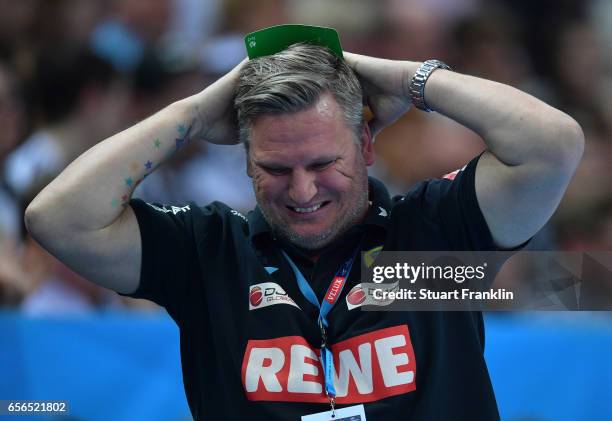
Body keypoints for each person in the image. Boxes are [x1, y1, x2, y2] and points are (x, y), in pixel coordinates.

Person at [25, 28, 583, 420]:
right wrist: (194, 112)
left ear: (366, 143)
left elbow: (552, 144)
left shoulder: (426, 239)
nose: (302, 191)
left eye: (322, 163)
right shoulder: (210, 252)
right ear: (245, 160)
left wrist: (401, 78)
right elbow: (59, 219)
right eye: (274, 167)